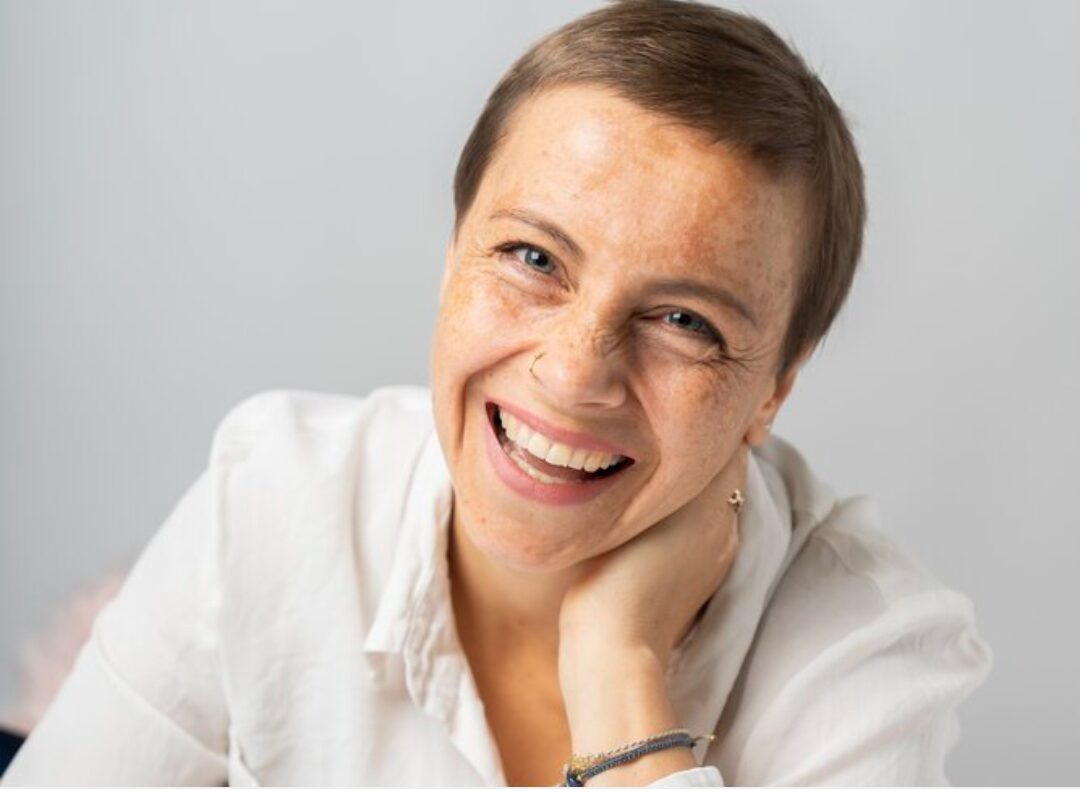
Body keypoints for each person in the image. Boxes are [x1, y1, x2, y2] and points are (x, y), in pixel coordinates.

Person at [1, 0, 991, 786]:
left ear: (775, 388)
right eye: (533, 257)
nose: (573, 372)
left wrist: (619, 671)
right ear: (451, 258)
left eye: (685, 320)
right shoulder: (275, 494)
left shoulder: (864, 647)